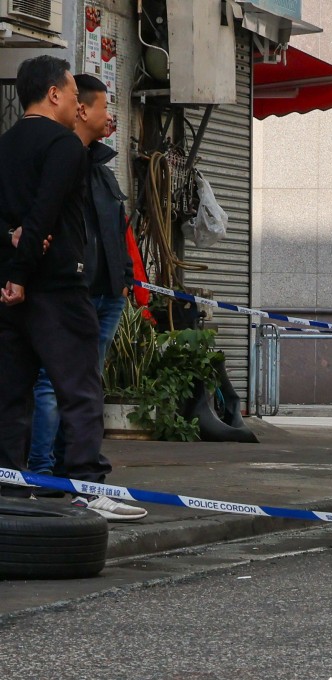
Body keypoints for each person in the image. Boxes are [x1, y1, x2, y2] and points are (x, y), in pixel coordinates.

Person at [0, 55, 146, 520]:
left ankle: (8, 485)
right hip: (57, 286)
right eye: (68, 90)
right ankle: (86, 483)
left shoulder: (4, 146)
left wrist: (11, 259)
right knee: (79, 387)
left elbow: (21, 223)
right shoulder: (64, 147)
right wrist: (24, 273)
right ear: (56, 94)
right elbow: (46, 212)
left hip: (6, 289)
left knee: (13, 392)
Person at [28, 74, 134, 489]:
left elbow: (116, 228)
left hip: (108, 295)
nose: (111, 118)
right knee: (51, 384)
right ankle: (39, 474)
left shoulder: (102, 169)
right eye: (105, 108)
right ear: (81, 109)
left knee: (85, 385)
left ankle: (70, 470)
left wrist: (123, 280)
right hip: (71, 292)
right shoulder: (59, 160)